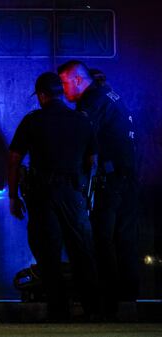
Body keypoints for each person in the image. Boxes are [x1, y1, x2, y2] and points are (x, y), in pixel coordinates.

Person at [7, 72, 99, 321]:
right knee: (81, 250)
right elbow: (91, 161)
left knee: (47, 252)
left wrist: (13, 196)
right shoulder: (82, 121)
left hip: (43, 195)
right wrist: (84, 194)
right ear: (61, 93)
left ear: (41, 95)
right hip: (73, 194)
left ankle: (58, 310)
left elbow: (14, 159)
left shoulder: (33, 120)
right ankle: (92, 309)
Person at [58, 60, 139, 319]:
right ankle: (126, 299)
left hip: (110, 181)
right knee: (123, 239)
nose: (63, 90)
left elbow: (80, 141)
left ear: (79, 80)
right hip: (126, 178)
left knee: (102, 239)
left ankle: (108, 303)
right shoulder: (108, 94)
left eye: (64, 83)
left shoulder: (91, 103)